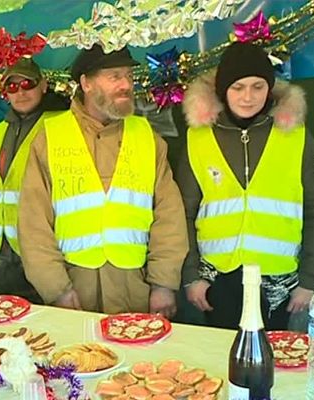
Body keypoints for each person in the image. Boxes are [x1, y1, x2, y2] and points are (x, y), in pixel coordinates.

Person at [18, 44, 189, 316]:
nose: (125, 85)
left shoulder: (147, 136)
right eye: (114, 77)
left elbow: (169, 215)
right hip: (74, 291)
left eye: (129, 77)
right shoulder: (49, 137)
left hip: (136, 289)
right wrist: (56, 289)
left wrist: (163, 284)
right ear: (86, 83)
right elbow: (32, 222)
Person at [177, 42, 314, 329]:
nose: (248, 97)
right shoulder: (197, 137)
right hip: (217, 280)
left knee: (272, 366)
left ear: (269, 88)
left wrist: (310, 280)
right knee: (218, 363)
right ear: (224, 89)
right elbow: (182, 213)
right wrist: (192, 277)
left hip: (278, 284)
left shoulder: (295, 136)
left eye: (257, 86)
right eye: (238, 87)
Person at [0, 57, 68, 303]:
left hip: (45, 251)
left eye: (27, 84)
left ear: (44, 85)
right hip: (4, 252)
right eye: (12, 87)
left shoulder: (61, 126)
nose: (21, 92)